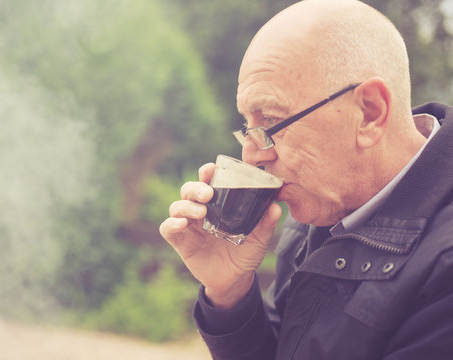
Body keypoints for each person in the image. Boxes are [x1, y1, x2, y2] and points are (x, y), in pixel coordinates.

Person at [159, 0, 453, 359]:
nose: (251, 155)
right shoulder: (317, 219)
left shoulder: (444, 268)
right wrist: (231, 292)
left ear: (370, 114)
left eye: (269, 122)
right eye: (247, 128)